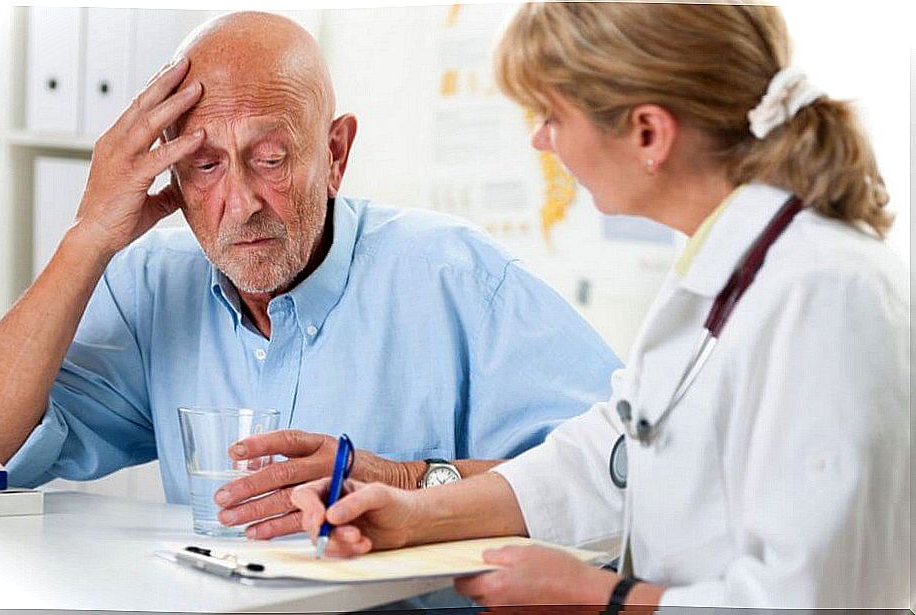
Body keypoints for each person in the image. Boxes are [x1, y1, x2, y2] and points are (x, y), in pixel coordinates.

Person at [291, 2, 910, 608]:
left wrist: (604, 598)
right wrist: (412, 517)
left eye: (552, 116)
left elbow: (816, 596)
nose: (539, 140)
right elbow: (606, 460)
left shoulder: (823, 290)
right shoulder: (718, 276)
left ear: (648, 132)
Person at [0, 11, 621, 540]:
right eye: (204, 165)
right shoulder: (152, 287)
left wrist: (408, 479)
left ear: (336, 152)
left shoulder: (458, 277)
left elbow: (629, 479)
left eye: (269, 157)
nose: (240, 200)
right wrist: (86, 240)